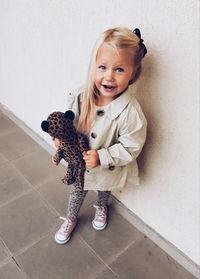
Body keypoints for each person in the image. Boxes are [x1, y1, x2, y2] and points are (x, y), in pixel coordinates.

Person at [54, 27, 147, 244]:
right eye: (103, 67)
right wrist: (60, 138)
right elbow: (68, 121)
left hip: (106, 167)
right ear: (94, 67)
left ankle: (101, 206)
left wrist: (103, 157)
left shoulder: (131, 112)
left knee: (104, 188)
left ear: (133, 73)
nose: (109, 76)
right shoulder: (81, 95)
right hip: (79, 164)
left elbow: (131, 146)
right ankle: (70, 217)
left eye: (119, 70)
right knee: (76, 192)